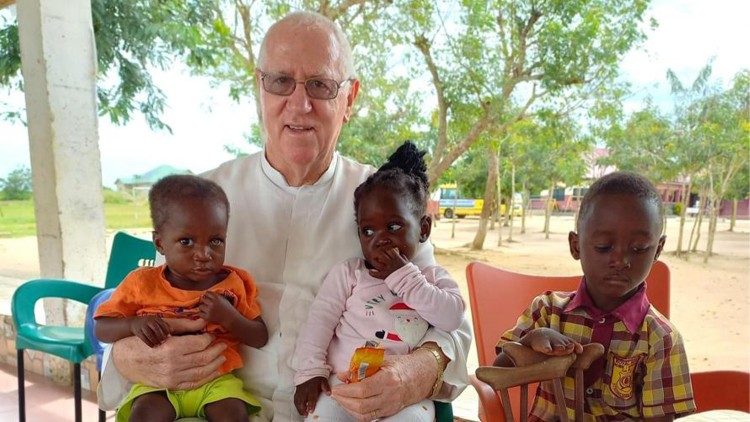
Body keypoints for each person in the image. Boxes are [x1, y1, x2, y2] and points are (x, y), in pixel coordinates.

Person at [98, 11, 471, 421]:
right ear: (260, 89)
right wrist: (128, 356)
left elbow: (452, 326)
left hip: (345, 409)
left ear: (350, 98)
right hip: (218, 405)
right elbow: (138, 315)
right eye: (280, 82)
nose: (300, 103)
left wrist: (418, 369)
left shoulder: (386, 203)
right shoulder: (199, 202)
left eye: (320, 84)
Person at [493, 171, 696, 421]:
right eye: (603, 246)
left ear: (658, 250)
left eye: (638, 249)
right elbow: (497, 372)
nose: (621, 260)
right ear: (576, 246)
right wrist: (530, 340)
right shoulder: (546, 312)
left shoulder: (660, 338)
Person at [292, 142, 465, 421]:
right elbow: (319, 323)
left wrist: (405, 278)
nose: (380, 239)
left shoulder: (432, 279)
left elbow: (452, 319)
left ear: (423, 228)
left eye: (394, 227)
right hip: (343, 384)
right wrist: (310, 372)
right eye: (367, 230)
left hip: (404, 397)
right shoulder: (349, 274)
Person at [95, 175, 268, 421]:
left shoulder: (234, 283)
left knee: (234, 415)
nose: (204, 254)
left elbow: (260, 336)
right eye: (186, 242)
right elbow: (101, 328)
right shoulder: (142, 283)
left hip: (216, 382)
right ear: (160, 243)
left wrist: (229, 317)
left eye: (216, 241)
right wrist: (133, 325)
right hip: (157, 386)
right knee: (144, 415)